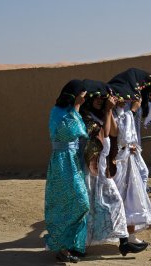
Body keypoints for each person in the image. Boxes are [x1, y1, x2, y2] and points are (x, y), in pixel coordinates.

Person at [80, 80, 148, 256]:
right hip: (93, 170)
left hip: (103, 170)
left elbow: (114, 133)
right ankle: (79, 245)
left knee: (115, 204)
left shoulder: (99, 115)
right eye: (96, 99)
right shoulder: (86, 118)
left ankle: (124, 242)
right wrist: (109, 111)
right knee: (91, 208)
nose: (100, 102)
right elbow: (100, 136)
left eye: (102, 99)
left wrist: (108, 111)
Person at [44, 80, 90, 263]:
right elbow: (71, 131)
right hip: (62, 163)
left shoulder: (70, 111)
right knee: (68, 204)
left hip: (73, 161)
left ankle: (71, 245)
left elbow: (81, 132)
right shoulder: (57, 112)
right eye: (82, 95)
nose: (84, 99)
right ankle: (62, 248)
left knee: (80, 204)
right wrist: (77, 106)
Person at [111, 98, 151, 243]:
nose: (123, 101)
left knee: (132, 197)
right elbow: (120, 135)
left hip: (129, 159)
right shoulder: (111, 113)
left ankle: (129, 236)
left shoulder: (124, 112)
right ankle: (123, 236)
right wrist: (132, 111)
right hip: (117, 161)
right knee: (119, 197)